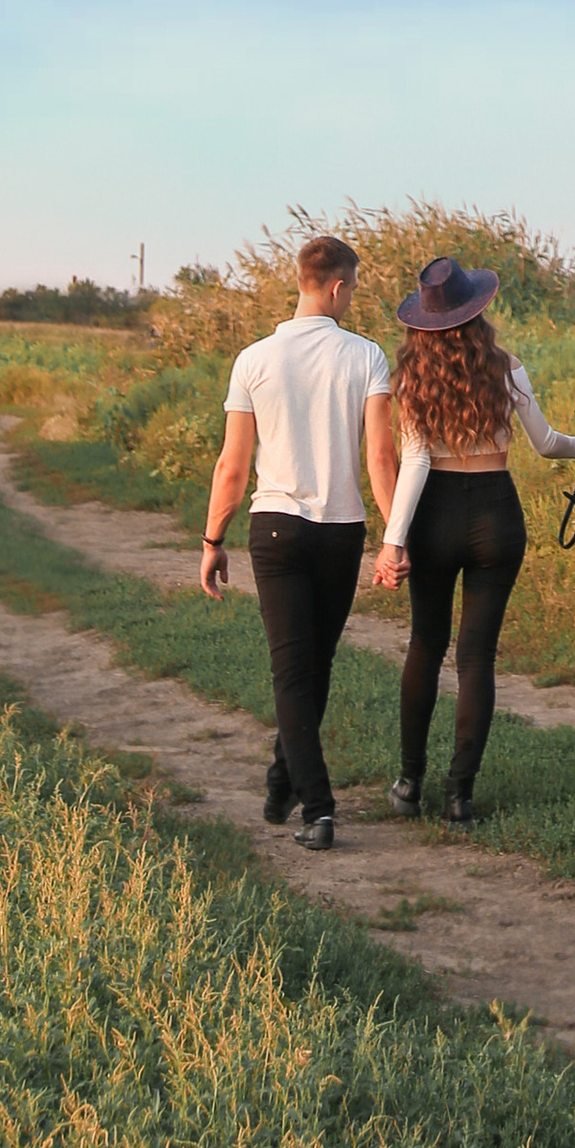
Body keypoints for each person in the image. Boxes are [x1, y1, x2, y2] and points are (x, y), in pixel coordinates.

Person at [200, 225, 399, 852]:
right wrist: (396, 537)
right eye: (353, 289)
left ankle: (288, 782)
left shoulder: (254, 360)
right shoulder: (365, 356)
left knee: (296, 672)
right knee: (313, 666)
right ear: (337, 287)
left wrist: (213, 541)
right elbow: (381, 459)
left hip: (276, 530)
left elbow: (232, 465)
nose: (352, 299)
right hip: (341, 532)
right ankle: (318, 805)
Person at [369, 252, 575, 826]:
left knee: (425, 644)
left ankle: (409, 781)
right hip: (496, 516)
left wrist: (393, 543)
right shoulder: (507, 367)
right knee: (477, 657)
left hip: (435, 515)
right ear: (477, 311)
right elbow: (544, 443)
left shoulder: (413, 377)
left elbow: (413, 463)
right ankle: (459, 796)